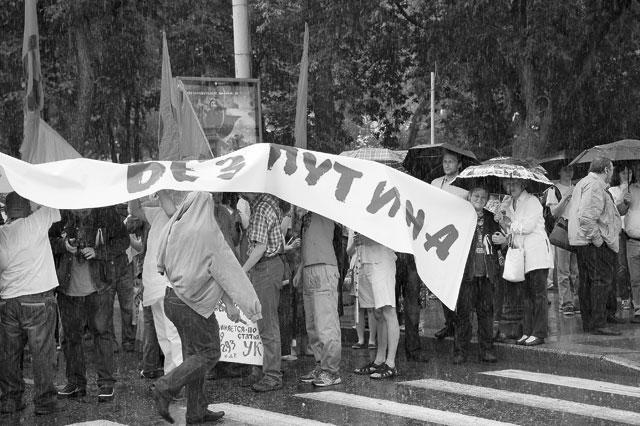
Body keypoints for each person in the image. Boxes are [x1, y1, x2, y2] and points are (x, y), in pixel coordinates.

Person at [152, 191, 261, 424]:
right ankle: (165, 386)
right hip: (193, 304)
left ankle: (196, 410)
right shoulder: (209, 234)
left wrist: (163, 267)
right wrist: (250, 306)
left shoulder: (175, 226)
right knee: (210, 353)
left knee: (194, 357)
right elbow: (229, 272)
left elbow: (160, 255)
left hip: (171, 297)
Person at [54, 206, 130, 402]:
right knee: (70, 338)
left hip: (99, 285)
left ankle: (106, 383)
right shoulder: (61, 212)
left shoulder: (105, 211)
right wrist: (64, 245)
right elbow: (47, 241)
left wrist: (98, 251)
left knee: (102, 333)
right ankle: (76, 383)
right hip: (67, 287)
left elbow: (123, 240)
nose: (80, 212)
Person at [0, 193, 63, 415]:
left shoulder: (2, 233)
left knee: (9, 354)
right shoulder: (36, 222)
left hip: (8, 300)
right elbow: (54, 199)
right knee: (42, 353)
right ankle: (45, 402)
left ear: (6, 211)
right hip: (37, 299)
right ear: (27, 208)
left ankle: (10, 400)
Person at [567, 157, 623, 335]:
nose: (612, 173)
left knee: (587, 281)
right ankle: (598, 323)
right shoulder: (595, 185)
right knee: (600, 281)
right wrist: (598, 240)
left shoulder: (584, 182)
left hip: (583, 241)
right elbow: (586, 217)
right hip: (591, 242)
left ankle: (591, 321)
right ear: (606, 169)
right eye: (611, 169)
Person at [129, 195, 183, 376]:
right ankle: (171, 378)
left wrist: (158, 187)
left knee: (173, 334)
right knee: (163, 335)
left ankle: (177, 379)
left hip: (169, 284)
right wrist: (134, 190)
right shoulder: (159, 212)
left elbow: (170, 209)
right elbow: (134, 210)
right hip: (154, 284)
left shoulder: (180, 211)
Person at [496, 178, 553, 346]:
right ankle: (528, 331)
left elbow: (527, 227)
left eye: (514, 183)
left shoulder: (532, 201)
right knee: (526, 296)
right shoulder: (510, 203)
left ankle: (539, 333)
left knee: (538, 294)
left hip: (537, 254)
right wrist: (502, 220)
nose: (510, 187)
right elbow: (512, 231)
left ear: (523, 184)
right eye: (508, 184)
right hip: (523, 255)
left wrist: (509, 222)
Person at [454, 185, 506, 364]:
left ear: (487, 200)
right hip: (467, 273)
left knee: (486, 314)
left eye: (483, 197)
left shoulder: (492, 218)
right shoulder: (461, 216)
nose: (479, 199)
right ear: (469, 196)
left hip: (487, 274)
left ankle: (487, 350)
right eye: (476, 196)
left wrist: (501, 235)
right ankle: (460, 351)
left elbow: (500, 242)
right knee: (463, 314)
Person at [241, 193, 286, 392]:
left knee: (267, 323)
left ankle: (272, 375)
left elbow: (260, 248)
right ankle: (266, 370)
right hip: (270, 266)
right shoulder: (269, 204)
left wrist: (243, 271)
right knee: (266, 322)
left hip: (265, 267)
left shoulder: (260, 208)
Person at [293, 209, 342, 387]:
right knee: (313, 325)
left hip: (324, 267)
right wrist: (301, 269)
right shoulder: (307, 210)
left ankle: (331, 370)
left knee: (326, 323)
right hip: (309, 267)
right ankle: (321, 366)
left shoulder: (324, 205)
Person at [350, 231, 399, 379]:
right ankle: (379, 360)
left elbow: (389, 233)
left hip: (382, 261)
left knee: (388, 310)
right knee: (377, 313)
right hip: (364, 262)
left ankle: (391, 363)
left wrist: (366, 236)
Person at [432, 150, 469, 340]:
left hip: (458, 237)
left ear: (459, 164)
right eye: (445, 161)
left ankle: (461, 323)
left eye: (451, 162)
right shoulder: (435, 183)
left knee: (458, 284)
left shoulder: (465, 186)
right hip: (439, 237)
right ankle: (449, 323)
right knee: (442, 282)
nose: (447, 165)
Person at [546, 165, 579, 316]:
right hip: (563, 230)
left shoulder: (578, 188)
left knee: (576, 270)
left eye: (571, 169)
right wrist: (566, 197)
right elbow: (554, 213)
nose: (568, 172)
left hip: (577, 230)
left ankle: (576, 301)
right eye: (565, 169)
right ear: (559, 171)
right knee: (563, 270)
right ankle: (566, 303)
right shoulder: (554, 190)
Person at [608, 164, 633, 323]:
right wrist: (623, 192)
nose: (626, 175)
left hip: (634, 231)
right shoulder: (612, 190)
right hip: (620, 232)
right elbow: (614, 211)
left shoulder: (635, 188)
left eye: (629, 172)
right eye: (623, 173)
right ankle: (625, 296)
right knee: (622, 266)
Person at [620, 162, 640, 323]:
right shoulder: (629, 189)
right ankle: (638, 309)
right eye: (638, 170)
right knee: (635, 278)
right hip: (632, 240)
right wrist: (625, 203)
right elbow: (619, 211)